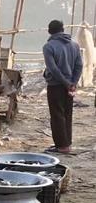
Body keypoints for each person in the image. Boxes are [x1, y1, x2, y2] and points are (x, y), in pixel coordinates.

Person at [43, 19, 82, 154]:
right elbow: (79, 66)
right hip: (69, 86)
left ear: (49, 31)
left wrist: (66, 83)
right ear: (63, 29)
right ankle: (67, 144)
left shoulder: (48, 47)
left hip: (55, 86)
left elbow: (53, 69)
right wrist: (73, 84)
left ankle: (62, 146)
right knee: (67, 114)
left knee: (57, 115)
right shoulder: (74, 45)